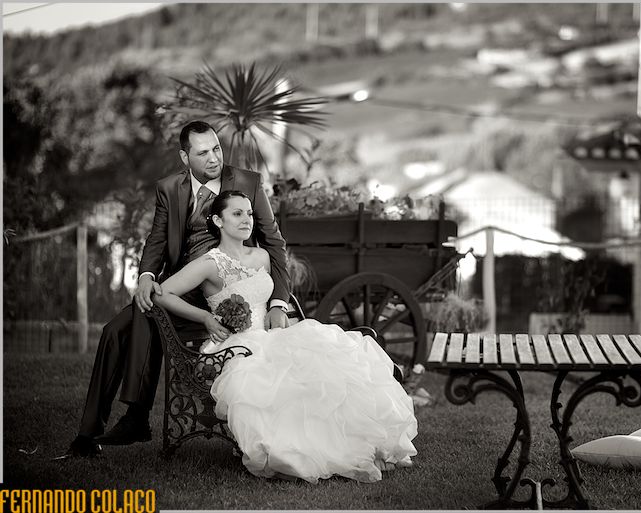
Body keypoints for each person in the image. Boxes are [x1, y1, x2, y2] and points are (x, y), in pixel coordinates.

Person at [153, 190, 418, 483]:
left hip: (271, 336)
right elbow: (162, 293)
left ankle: (357, 443)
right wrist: (205, 317)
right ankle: (293, 451)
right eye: (237, 214)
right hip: (236, 345)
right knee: (274, 379)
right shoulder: (210, 263)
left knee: (330, 361)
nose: (246, 220)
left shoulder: (262, 256)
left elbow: (271, 298)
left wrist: (277, 308)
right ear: (218, 220)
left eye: (249, 213)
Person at [67, 121, 292, 458]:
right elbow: (157, 239)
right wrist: (146, 275)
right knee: (115, 330)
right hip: (179, 284)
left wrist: (278, 303)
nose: (214, 158)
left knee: (149, 311)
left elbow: (274, 243)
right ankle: (88, 435)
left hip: (221, 288)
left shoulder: (247, 182)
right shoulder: (169, 188)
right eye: (202, 153)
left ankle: (137, 416)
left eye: (216, 148)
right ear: (185, 157)